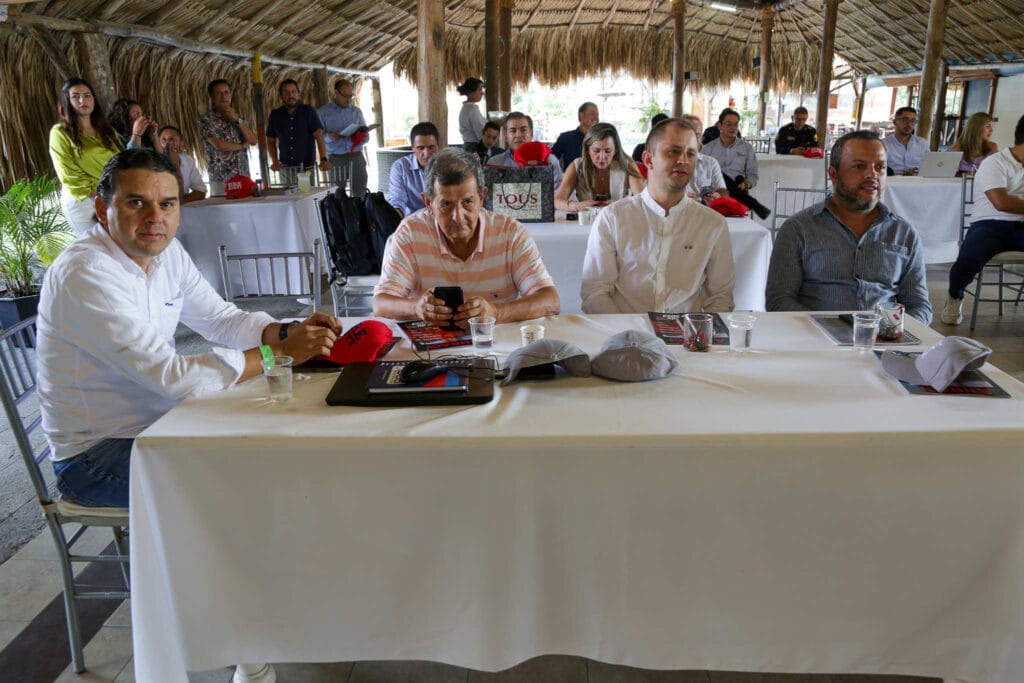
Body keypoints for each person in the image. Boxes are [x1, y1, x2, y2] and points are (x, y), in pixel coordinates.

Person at [36, 149, 341, 508]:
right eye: (137, 202)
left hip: (163, 420)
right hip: (97, 455)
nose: (155, 218)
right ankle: (209, 562)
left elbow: (219, 319)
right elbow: (172, 377)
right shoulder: (85, 272)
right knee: (258, 482)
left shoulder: (166, 254)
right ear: (103, 210)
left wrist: (287, 332)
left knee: (279, 441)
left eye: (167, 204)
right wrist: (280, 354)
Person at [373, 147, 560, 327]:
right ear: (428, 203)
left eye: (468, 202)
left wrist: (495, 312)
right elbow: (381, 303)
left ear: (482, 197)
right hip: (431, 352)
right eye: (446, 204)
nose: (458, 216)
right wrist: (417, 308)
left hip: (499, 346)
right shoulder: (410, 234)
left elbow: (550, 300)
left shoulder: (510, 233)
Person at [765, 130, 932, 323]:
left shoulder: (904, 234)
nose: (872, 175)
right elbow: (778, 300)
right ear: (833, 174)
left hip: (884, 342)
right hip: (816, 343)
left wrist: (894, 331)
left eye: (880, 167)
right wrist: (828, 330)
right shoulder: (798, 229)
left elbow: (919, 306)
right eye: (859, 166)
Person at [580, 118, 735, 314]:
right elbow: (595, 293)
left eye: (691, 154)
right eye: (673, 151)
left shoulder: (712, 224)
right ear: (647, 159)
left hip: (687, 339)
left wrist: (699, 337)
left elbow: (721, 297)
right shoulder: (613, 218)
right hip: (625, 336)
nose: (683, 160)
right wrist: (629, 334)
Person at [941, 114, 1024, 325]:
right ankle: (955, 295)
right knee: (969, 258)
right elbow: (1001, 203)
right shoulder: (995, 162)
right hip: (991, 222)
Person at [48, 77, 122, 235]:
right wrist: (99, 194)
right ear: (67, 101)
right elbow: (68, 173)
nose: (83, 100)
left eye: (87, 95)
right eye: (75, 96)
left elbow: (120, 162)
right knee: (99, 249)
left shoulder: (107, 131)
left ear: (94, 99)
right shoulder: (60, 133)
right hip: (83, 201)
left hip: (112, 196)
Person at [555, 123, 644, 213]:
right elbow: (557, 201)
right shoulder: (576, 166)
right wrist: (577, 206)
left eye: (607, 151)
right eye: (596, 151)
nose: (602, 157)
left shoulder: (627, 165)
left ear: (615, 149)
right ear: (587, 149)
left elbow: (643, 201)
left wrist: (620, 205)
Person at [702, 108, 770, 219]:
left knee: (732, 181)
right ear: (720, 126)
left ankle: (742, 198)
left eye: (735, 124)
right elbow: (702, 174)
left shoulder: (747, 148)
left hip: (739, 191)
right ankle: (755, 205)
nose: (733, 128)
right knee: (719, 173)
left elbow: (753, 175)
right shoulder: (708, 149)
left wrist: (746, 184)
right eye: (728, 124)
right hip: (715, 194)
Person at [266, 78, 331, 184]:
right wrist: (275, 161)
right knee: (288, 199)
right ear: (281, 96)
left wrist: (323, 159)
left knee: (305, 197)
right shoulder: (275, 115)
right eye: (286, 92)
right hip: (285, 169)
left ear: (299, 94)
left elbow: (319, 135)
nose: (290, 95)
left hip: (306, 169)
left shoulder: (308, 111)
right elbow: (270, 140)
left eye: (293, 91)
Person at [199, 79, 256, 187]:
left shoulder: (239, 117)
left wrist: (237, 119)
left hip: (243, 177)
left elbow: (253, 141)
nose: (223, 96)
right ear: (212, 98)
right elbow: (219, 144)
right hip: (222, 180)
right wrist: (242, 146)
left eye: (226, 92)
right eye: (219, 93)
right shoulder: (206, 120)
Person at [318, 78, 369, 196]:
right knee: (337, 195)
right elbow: (319, 138)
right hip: (336, 159)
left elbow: (366, 137)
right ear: (335, 93)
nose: (348, 99)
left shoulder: (357, 112)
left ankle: (359, 215)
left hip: (357, 157)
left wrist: (360, 137)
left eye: (350, 96)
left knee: (360, 194)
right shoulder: (323, 112)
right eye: (344, 95)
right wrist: (329, 137)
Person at [486, 112, 563, 188]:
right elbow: (488, 196)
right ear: (506, 136)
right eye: (513, 131)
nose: (519, 135)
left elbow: (562, 194)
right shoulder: (495, 163)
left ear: (531, 133)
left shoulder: (550, 160)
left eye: (523, 130)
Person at [387, 121, 440, 217]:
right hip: (412, 222)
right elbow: (397, 201)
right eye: (421, 148)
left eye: (431, 147)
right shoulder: (400, 167)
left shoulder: (448, 165)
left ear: (438, 145)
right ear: (413, 148)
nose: (427, 154)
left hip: (441, 219)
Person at [680, 114, 728, 203]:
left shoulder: (710, 163)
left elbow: (723, 191)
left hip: (704, 211)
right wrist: (679, 198)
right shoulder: (668, 161)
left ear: (701, 137)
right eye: (688, 134)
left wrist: (716, 195)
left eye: (697, 135)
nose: (692, 138)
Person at [157, 125, 206, 203]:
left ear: (181, 144)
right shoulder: (153, 162)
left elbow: (201, 191)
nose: (167, 144)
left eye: (171, 139)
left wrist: (178, 203)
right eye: (163, 140)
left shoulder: (187, 160)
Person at [551, 102, 599, 169]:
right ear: (581, 115)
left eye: (597, 115)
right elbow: (551, 158)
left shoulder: (602, 139)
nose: (596, 118)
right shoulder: (565, 138)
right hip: (571, 178)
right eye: (592, 114)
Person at [882, 106, 929, 176]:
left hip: (918, 183)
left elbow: (929, 166)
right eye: (905, 120)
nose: (909, 124)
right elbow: (878, 168)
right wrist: (902, 174)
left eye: (913, 121)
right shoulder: (883, 144)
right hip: (892, 182)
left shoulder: (923, 143)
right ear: (895, 122)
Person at [950, 112, 999, 176]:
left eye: (991, 127)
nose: (991, 130)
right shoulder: (956, 148)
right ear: (976, 128)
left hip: (984, 185)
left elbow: (996, 172)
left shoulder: (992, 147)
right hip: (961, 184)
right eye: (988, 126)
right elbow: (948, 174)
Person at [457, 77, 487, 144]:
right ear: (470, 92)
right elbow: (481, 134)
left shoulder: (465, 108)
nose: (482, 93)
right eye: (479, 90)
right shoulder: (472, 109)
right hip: (475, 147)